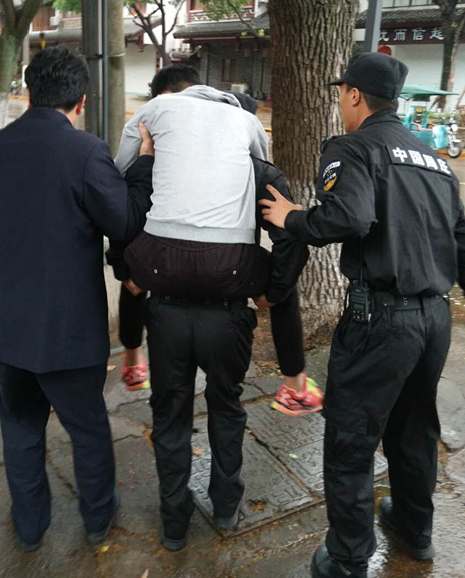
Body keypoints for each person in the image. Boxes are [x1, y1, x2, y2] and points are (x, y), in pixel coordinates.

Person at [261, 51, 465, 578]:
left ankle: (349, 558)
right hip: (434, 317)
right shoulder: (435, 160)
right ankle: (415, 529)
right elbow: (460, 241)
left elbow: (348, 217)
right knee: (414, 428)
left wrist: (293, 217)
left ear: (354, 95)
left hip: (381, 320)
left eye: (342, 95)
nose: (341, 104)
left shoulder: (352, 146)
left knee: (351, 438)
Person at [108, 64, 320, 551]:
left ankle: (174, 522)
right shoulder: (254, 167)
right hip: (228, 312)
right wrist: (273, 292)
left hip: (166, 310)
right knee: (227, 407)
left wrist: (128, 272)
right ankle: (225, 506)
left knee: (170, 415)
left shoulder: (158, 160)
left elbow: (122, 213)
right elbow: (292, 236)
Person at [0, 46, 154, 552]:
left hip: (3, 325)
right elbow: (123, 221)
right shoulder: (85, 151)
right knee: (88, 428)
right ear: (81, 101)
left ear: (29, 92)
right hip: (66, 330)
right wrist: (142, 165)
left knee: (20, 429)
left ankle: (30, 527)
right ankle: (97, 519)